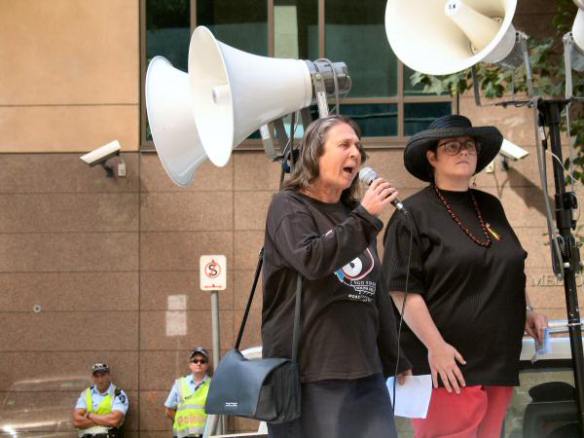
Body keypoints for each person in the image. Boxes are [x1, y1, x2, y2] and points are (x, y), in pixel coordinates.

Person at [382, 114, 549, 438]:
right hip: (446, 363)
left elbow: (510, 265)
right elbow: (402, 290)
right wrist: (436, 347)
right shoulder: (411, 214)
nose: (464, 152)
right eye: (452, 146)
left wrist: (528, 311)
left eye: (470, 146)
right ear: (432, 157)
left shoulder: (491, 206)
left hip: (498, 358)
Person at [262, 114, 410, 438]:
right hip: (313, 374)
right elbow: (312, 259)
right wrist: (365, 217)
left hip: (366, 371)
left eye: (358, 146)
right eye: (344, 144)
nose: (355, 153)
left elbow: (374, 289)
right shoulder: (288, 207)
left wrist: (395, 354)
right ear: (315, 154)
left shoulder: (353, 214)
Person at [164, 347, 212, 438]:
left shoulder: (213, 385)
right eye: (195, 361)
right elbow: (168, 410)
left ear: (207, 365)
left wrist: (234, 404)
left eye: (202, 361)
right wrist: (181, 423)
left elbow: (223, 407)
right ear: (190, 364)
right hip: (182, 435)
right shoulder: (179, 384)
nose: (199, 363)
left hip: (205, 434)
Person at [72, 363, 129, 438]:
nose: (100, 380)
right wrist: (104, 420)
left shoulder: (118, 394)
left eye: (103, 375)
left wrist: (89, 415)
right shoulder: (86, 394)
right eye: (97, 376)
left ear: (109, 376)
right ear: (92, 377)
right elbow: (77, 421)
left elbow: (114, 420)